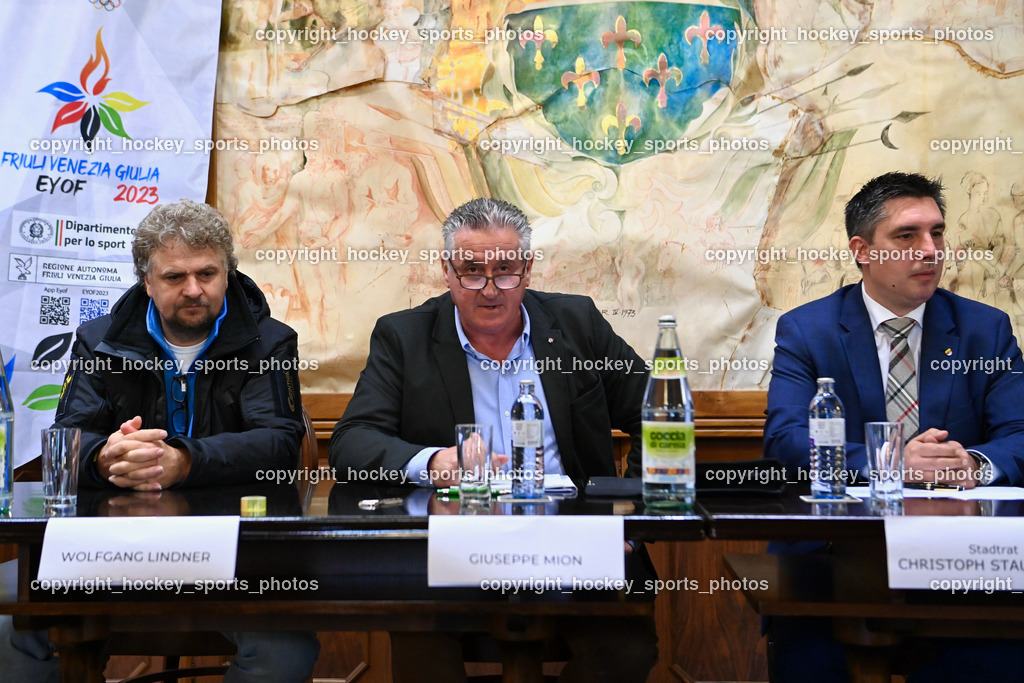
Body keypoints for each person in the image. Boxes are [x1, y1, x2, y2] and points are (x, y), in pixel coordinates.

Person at [330, 197, 657, 682]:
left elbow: (661, 421)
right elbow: (351, 442)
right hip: (452, 547)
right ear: (446, 271)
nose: (489, 289)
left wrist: (625, 515)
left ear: (526, 269)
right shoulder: (405, 336)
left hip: (573, 541)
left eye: (505, 270)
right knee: (420, 640)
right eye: (471, 271)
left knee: (627, 649)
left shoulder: (577, 326)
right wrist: (434, 461)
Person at [0, 199, 319, 683]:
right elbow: (67, 437)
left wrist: (184, 462)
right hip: (112, 544)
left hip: (233, 545)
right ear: (146, 282)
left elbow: (277, 442)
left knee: (285, 642)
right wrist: (105, 458)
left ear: (228, 273)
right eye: (174, 278)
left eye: (208, 274)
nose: (194, 290)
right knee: (7, 615)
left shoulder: (268, 341)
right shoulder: (99, 339)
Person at [764, 172, 1024, 682]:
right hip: (835, 559)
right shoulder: (808, 330)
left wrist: (975, 463)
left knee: (994, 661)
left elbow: (1020, 432)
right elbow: (786, 441)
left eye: (937, 233)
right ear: (863, 250)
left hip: (961, 559)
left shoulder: (984, 330)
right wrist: (892, 462)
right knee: (815, 661)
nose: (930, 250)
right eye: (907, 236)